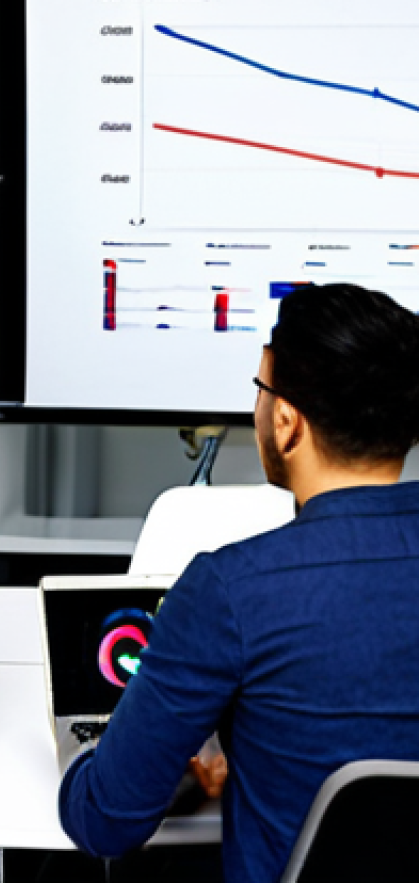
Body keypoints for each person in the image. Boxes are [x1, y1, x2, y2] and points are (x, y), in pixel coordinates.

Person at [58, 282, 419, 883]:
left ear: (285, 422)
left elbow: (107, 819)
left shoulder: (229, 590)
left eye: (261, 390)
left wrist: (88, 755)